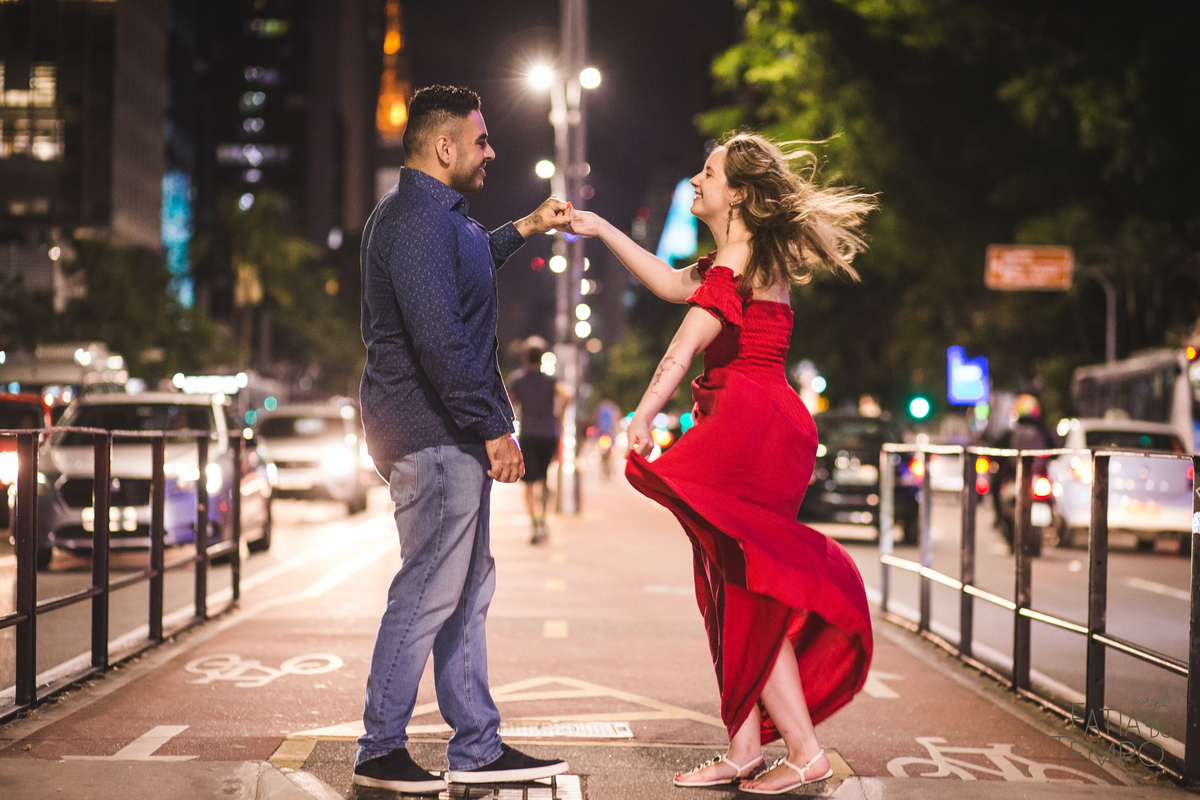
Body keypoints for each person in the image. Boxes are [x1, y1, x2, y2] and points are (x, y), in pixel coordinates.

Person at [565, 134, 875, 793]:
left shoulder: (743, 256)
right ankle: (743, 748)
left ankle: (803, 750)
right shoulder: (729, 259)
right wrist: (598, 228)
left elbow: (684, 346)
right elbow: (667, 281)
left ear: (736, 192)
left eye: (707, 173)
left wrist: (644, 412)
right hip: (750, 422)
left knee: (745, 593)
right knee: (726, 589)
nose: (695, 181)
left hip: (755, 426)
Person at [356, 85, 569, 795]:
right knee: (427, 590)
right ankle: (379, 748)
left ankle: (477, 743)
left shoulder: (439, 219)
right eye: (480, 141)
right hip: (433, 433)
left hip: (446, 436)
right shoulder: (415, 221)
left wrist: (527, 227)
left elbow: (471, 258)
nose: (490, 151)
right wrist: (495, 428)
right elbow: (441, 340)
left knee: (467, 590)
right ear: (444, 147)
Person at [506, 336, 568, 543]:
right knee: (544, 479)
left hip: (529, 434)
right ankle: (543, 519)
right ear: (542, 358)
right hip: (549, 434)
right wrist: (559, 414)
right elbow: (567, 395)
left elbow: (507, 400)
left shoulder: (518, 379)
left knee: (529, 483)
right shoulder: (551, 380)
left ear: (524, 357)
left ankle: (535, 524)